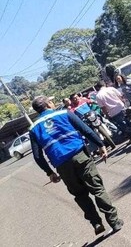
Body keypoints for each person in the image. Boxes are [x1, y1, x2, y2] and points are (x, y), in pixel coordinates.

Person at [28, 96, 124, 235]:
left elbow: (38, 156)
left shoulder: (34, 128)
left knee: (80, 195)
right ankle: (114, 222)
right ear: (48, 104)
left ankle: (96, 223)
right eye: (51, 101)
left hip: (62, 165)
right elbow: (87, 130)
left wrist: (50, 172)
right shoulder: (64, 113)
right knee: (97, 189)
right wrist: (100, 145)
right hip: (80, 156)